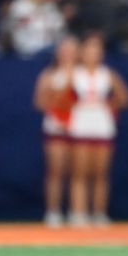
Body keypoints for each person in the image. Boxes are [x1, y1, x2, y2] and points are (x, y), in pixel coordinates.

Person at [67, 32, 128, 227]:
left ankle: (99, 212)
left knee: (100, 173)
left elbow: (125, 98)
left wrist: (108, 104)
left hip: (102, 126)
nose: (92, 53)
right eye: (88, 48)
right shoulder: (74, 74)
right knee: (79, 172)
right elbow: (58, 100)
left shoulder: (107, 74)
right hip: (81, 125)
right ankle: (78, 212)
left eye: (96, 48)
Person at [33, 35, 79, 227]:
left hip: (81, 128)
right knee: (56, 171)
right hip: (57, 126)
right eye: (64, 50)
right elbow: (39, 102)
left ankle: (79, 211)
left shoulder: (84, 74)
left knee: (79, 172)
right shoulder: (49, 74)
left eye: (72, 50)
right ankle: (53, 212)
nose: (68, 53)